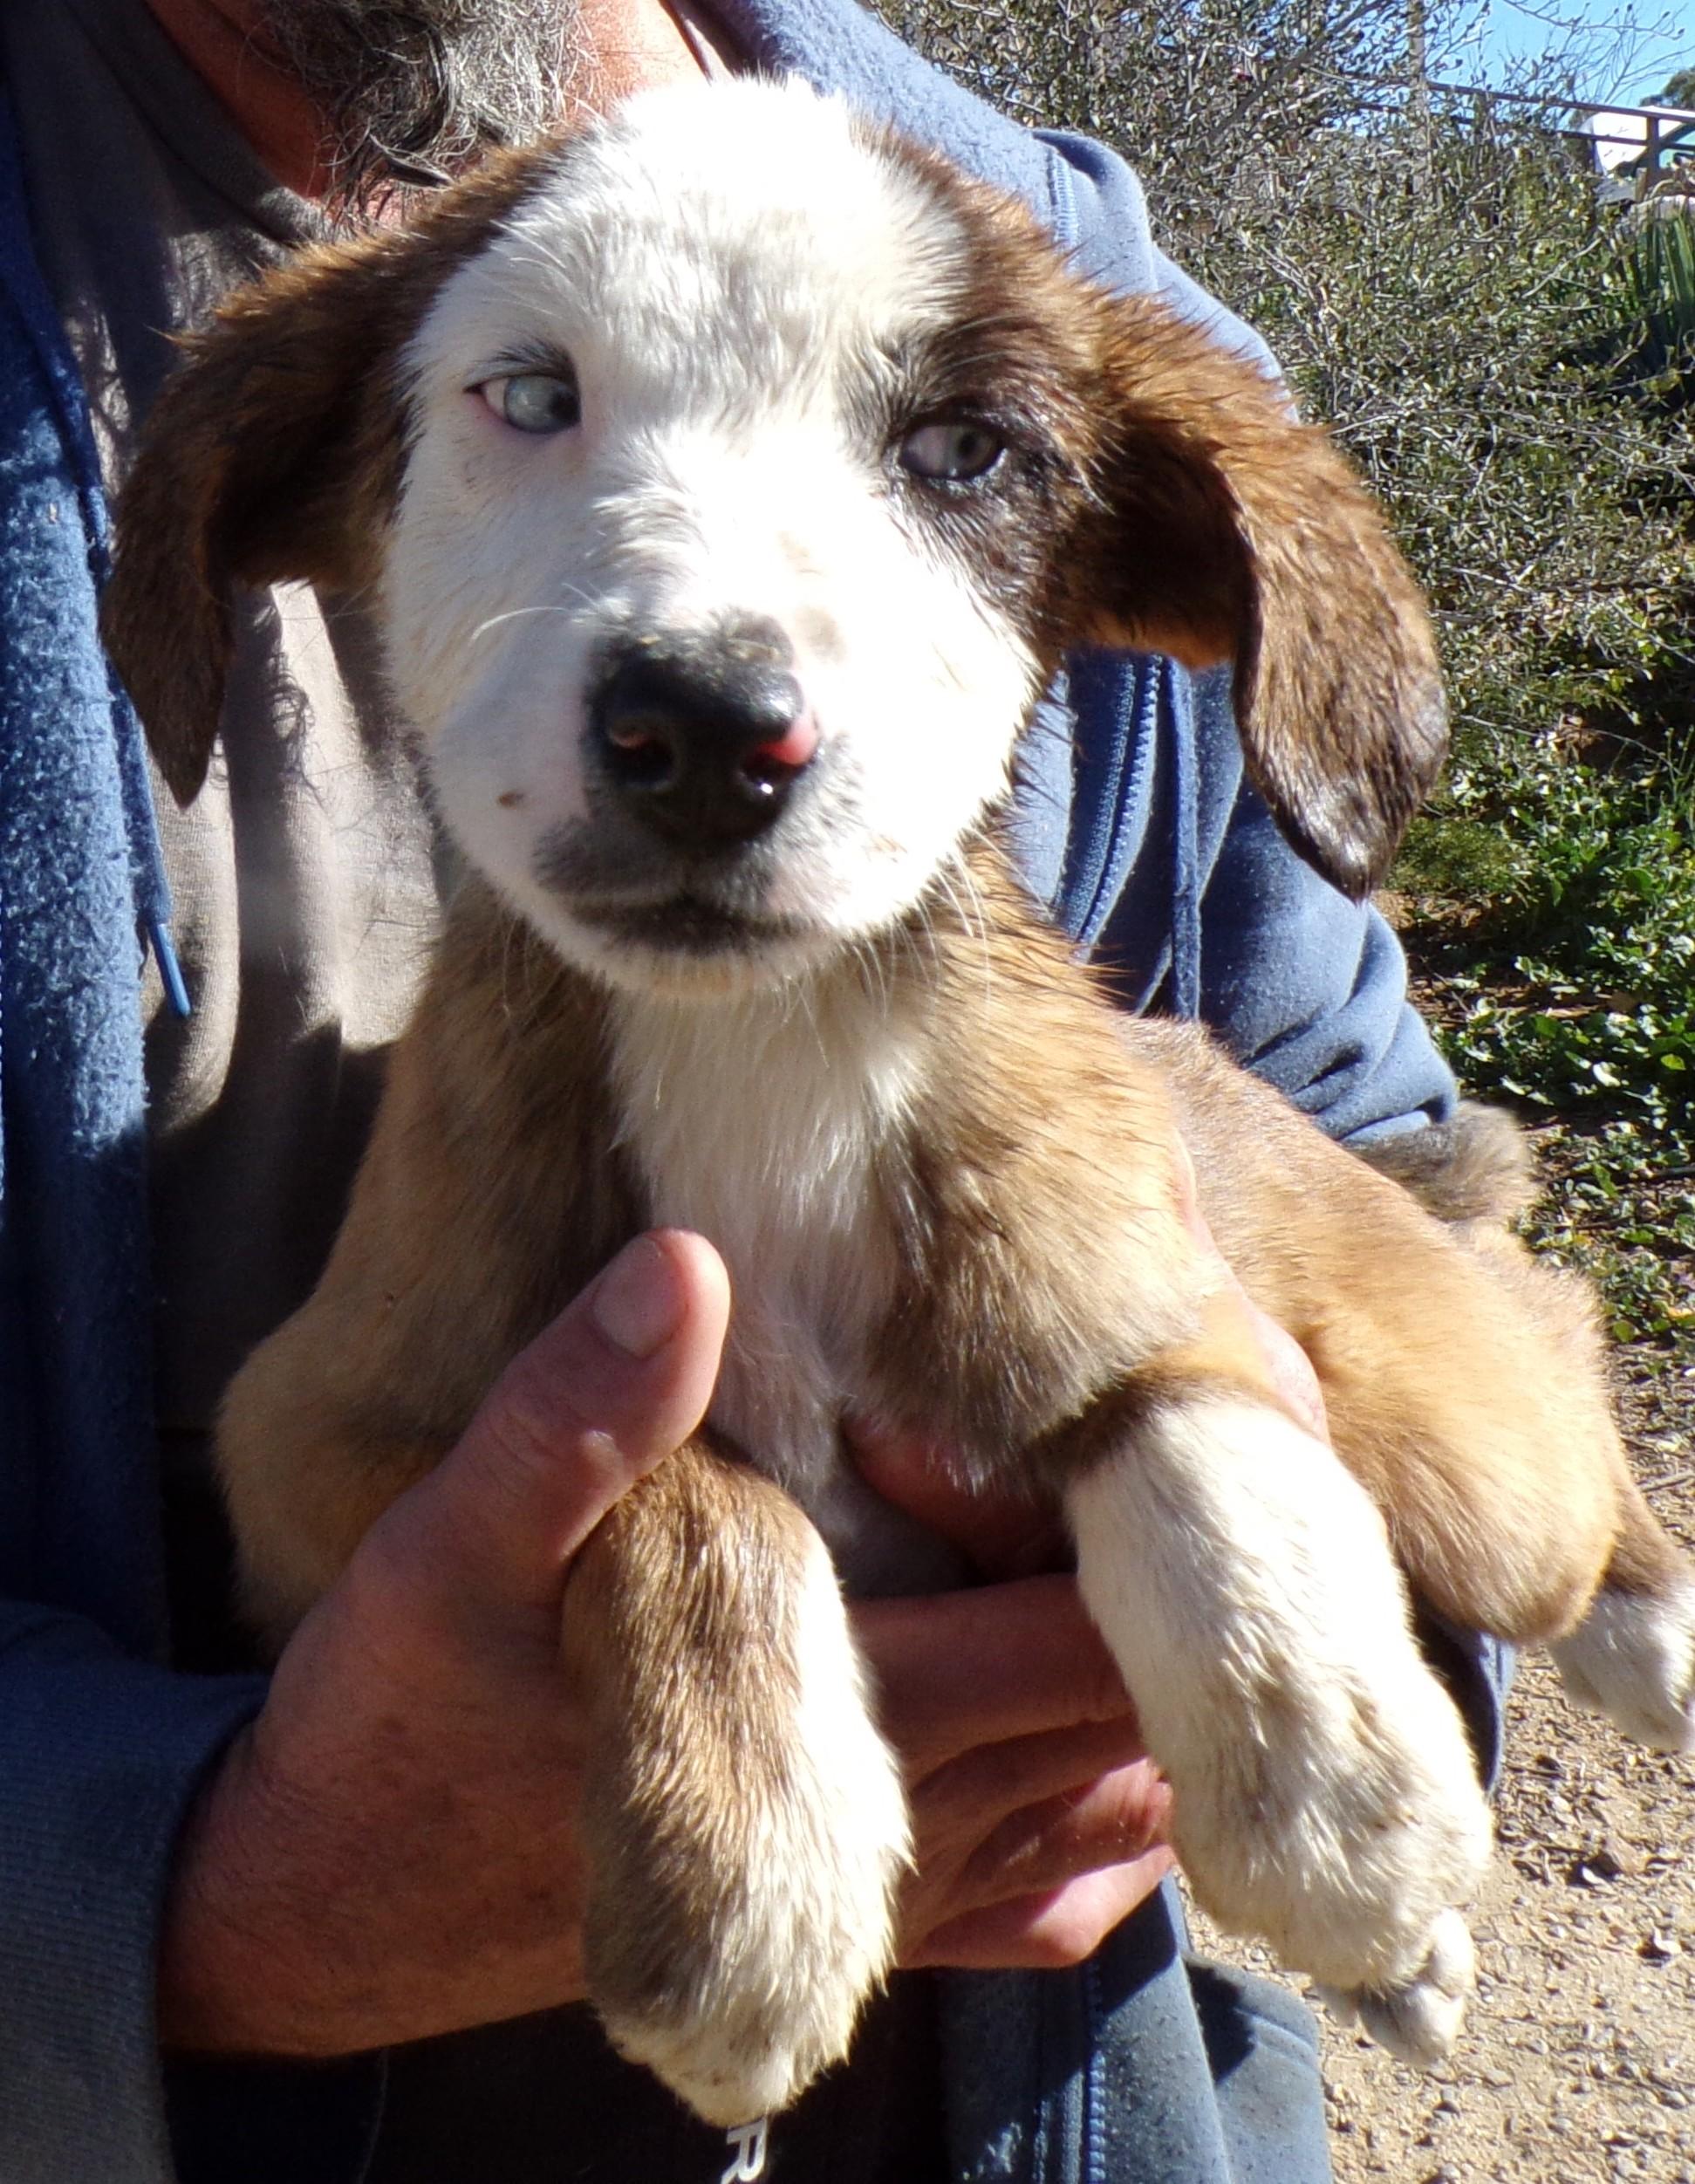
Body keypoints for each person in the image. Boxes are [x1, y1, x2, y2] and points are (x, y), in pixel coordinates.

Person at [0, 2, 1506, 2179]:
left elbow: (1351, 1143)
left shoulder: (1054, 276)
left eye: (950, 457)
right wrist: (182, 1907)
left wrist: (1277, 1606)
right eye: (531, 403)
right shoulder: (261, 353)